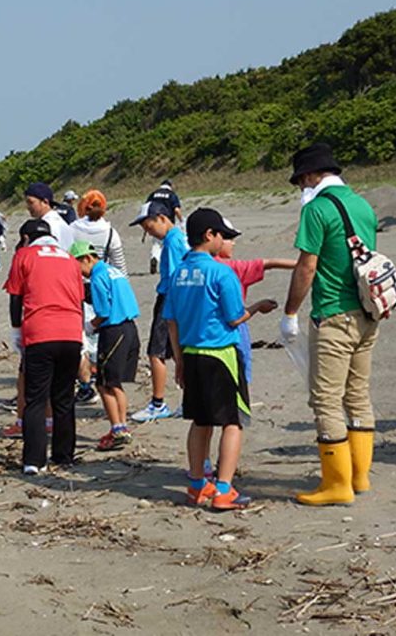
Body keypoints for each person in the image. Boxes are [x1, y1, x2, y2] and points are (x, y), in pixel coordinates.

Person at [280, 142, 381, 506]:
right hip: (368, 314)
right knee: (358, 396)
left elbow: (307, 266)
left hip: (334, 313)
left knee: (325, 400)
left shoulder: (317, 209)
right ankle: (360, 476)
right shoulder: (362, 204)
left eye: (300, 182)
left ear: (309, 176)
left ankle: (336, 485)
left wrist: (290, 311)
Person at [165, 209, 276, 511]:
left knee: (201, 421)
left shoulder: (178, 273)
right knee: (232, 422)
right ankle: (224, 489)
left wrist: (179, 361)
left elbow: (171, 321)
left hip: (191, 354)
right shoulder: (220, 271)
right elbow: (234, 317)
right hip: (220, 355)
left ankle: (197, 484)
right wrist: (258, 307)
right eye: (222, 235)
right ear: (209, 236)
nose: (225, 240)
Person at [4, 219, 84, 474]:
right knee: (64, 398)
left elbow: (16, 297)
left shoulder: (24, 256)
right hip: (71, 332)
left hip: (41, 332)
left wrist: (16, 331)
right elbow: (80, 299)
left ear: (26, 238)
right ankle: (64, 455)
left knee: (36, 399)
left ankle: (34, 460)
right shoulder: (70, 259)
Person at [72, 241, 141, 451]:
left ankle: (118, 428)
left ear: (87, 258)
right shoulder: (114, 271)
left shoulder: (98, 276)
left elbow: (102, 312)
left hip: (114, 330)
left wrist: (88, 327)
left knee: (104, 383)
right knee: (115, 382)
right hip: (130, 328)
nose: (80, 273)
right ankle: (121, 427)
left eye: (78, 266)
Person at [128, 201, 189, 422]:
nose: (148, 231)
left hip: (169, 299)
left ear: (162, 218)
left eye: (149, 226)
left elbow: (174, 277)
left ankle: (158, 403)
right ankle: (187, 400)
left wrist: (171, 311)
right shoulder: (179, 237)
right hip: (179, 300)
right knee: (179, 350)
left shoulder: (173, 241)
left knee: (156, 352)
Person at [69, 189, 127, 405]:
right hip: (104, 285)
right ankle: (96, 373)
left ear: (82, 207)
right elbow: (120, 266)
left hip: (78, 287)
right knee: (100, 336)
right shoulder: (110, 231)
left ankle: (85, 386)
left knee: (81, 337)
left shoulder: (72, 229)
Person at [146, 179, 184, 274]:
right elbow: (176, 210)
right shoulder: (172, 195)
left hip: (154, 221)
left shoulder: (153, 194)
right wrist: (181, 220)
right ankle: (170, 264)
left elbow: (146, 208)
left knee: (156, 244)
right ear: (170, 186)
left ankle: (154, 257)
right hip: (168, 223)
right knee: (170, 243)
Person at [24, 182, 74, 252]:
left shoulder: (46, 226)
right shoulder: (59, 221)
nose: (28, 207)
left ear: (45, 202)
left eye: (31, 202)